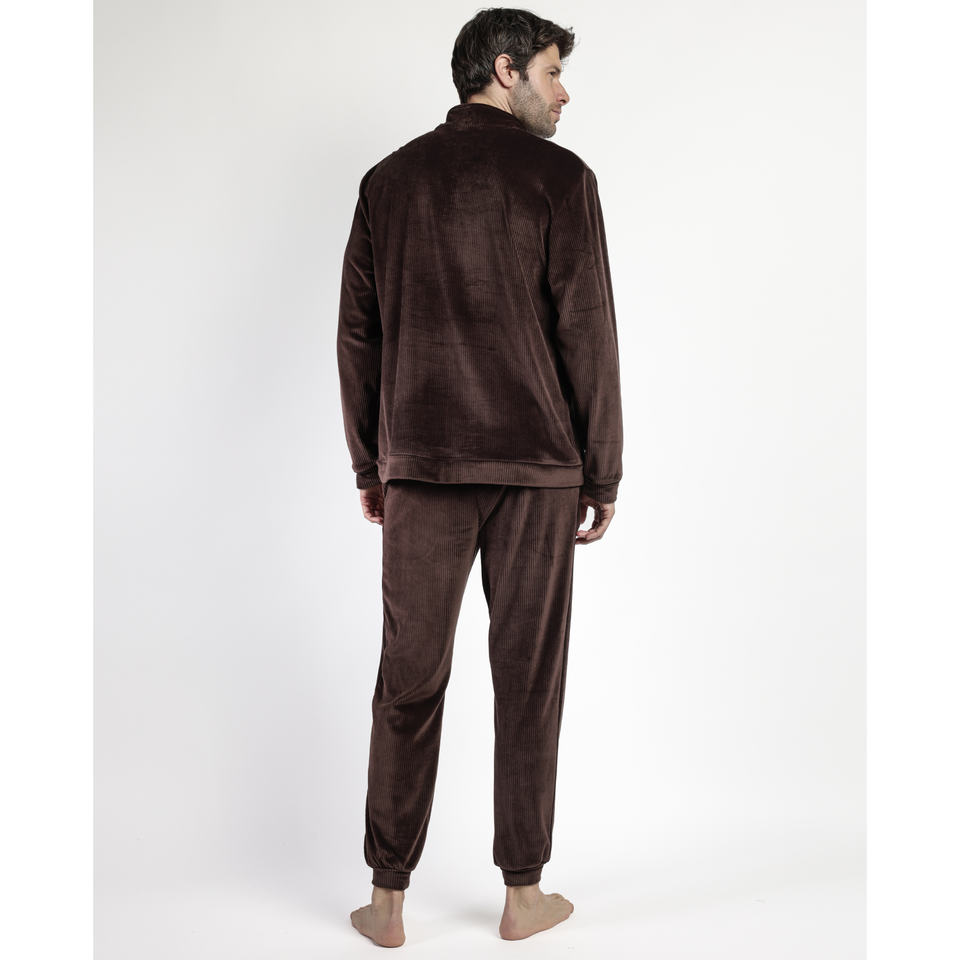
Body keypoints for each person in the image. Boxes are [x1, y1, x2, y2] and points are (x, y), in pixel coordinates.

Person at [337, 7, 623, 946]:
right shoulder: (561, 179)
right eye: (552, 72)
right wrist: (604, 469)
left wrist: (372, 461)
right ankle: (522, 895)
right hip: (539, 469)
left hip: (420, 464)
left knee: (408, 681)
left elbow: (358, 335)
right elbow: (588, 329)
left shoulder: (389, 180)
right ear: (505, 70)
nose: (563, 92)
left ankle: (387, 901)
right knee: (528, 681)